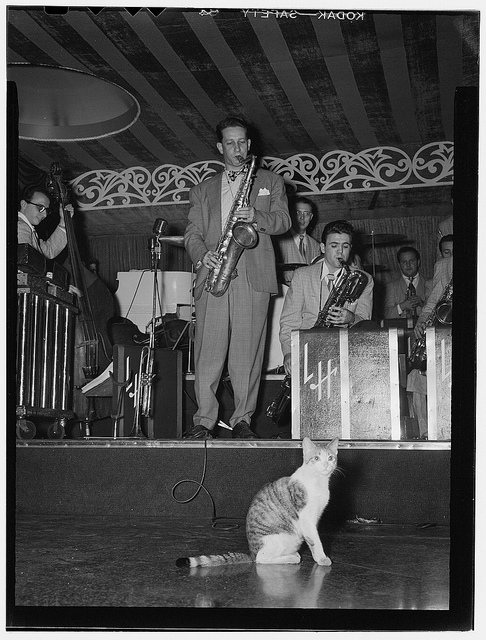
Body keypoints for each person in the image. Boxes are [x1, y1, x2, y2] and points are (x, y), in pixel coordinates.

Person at [184, 116, 291, 439]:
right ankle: (204, 421)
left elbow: (284, 221)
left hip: (252, 275)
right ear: (220, 147)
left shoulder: (270, 181)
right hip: (216, 269)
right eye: (230, 143)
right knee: (208, 353)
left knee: (248, 354)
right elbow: (192, 233)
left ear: (249, 144)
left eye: (242, 142)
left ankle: (242, 420)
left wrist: (256, 216)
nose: (237, 148)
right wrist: (204, 254)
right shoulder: (202, 190)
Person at [279, 219, 373, 376]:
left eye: (345, 246)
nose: (340, 252)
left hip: (347, 353)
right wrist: (289, 353)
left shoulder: (363, 279)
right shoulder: (302, 276)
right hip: (307, 352)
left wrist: (351, 318)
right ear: (322, 247)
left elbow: (366, 322)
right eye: (334, 245)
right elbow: (289, 321)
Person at [273, 196, 321, 285]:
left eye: (306, 214)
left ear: (311, 217)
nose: (301, 218)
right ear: (290, 215)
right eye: (297, 213)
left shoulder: (315, 245)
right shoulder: (279, 239)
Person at [17, 185, 73, 259]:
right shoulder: (21, 226)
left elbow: (48, 251)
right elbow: (25, 261)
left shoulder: (25, 227)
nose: (45, 214)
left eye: (47, 210)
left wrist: (63, 221)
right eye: (40, 207)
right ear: (24, 204)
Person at [383, 247, 432, 324]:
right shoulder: (391, 286)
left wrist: (422, 304)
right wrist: (402, 306)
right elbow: (387, 315)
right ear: (399, 265)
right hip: (400, 330)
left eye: (411, 261)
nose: (408, 265)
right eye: (404, 262)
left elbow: (436, 314)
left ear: (418, 262)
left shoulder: (430, 283)